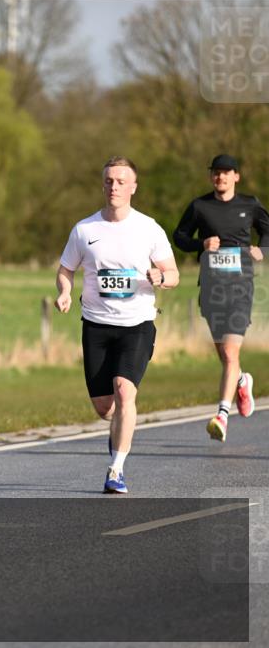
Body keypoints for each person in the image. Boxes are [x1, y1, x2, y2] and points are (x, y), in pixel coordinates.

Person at [55, 156, 179, 494]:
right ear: (103, 184)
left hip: (136, 323)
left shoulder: (149, 228)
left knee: (125, 390)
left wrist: (161, 277)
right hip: (96, 325)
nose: (114, 186)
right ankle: (121, 432)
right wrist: (65, 292)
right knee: (103, 407)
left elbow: (174, 273)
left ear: (133, 187)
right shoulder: (85, 229)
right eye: (109, 180)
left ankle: (116, 469)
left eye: (121, 181)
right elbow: (66, 269)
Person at [172, 154, 267, 441]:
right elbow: (179, 236)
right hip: (212, 288)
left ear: (236, 176)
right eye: (216, 172)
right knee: (225, 356)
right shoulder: (200, 206)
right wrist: (201, 243)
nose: (220, 177)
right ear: (211, 176)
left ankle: (222, 415)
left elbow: (268, 231)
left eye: (226, 173)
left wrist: (263, 249)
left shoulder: (249, 204)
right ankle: (241, 380)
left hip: (241, 288)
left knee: (230, 353)